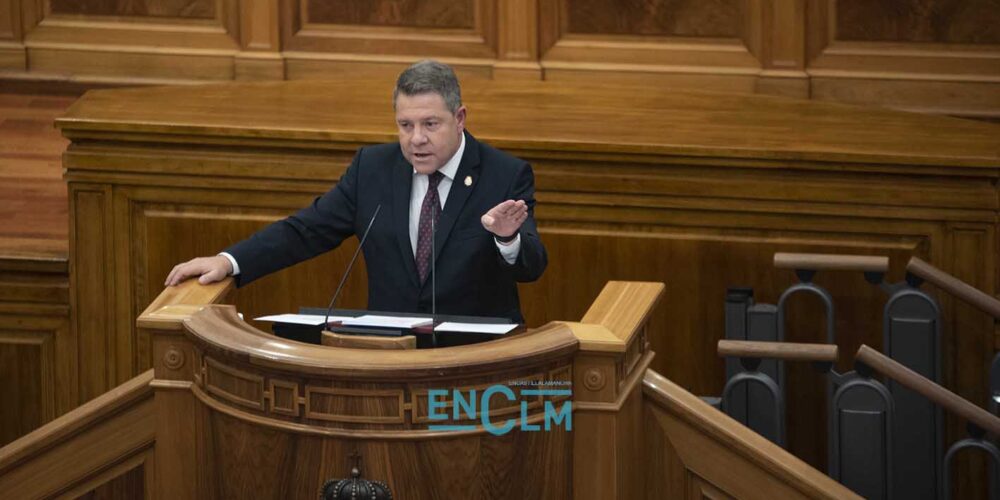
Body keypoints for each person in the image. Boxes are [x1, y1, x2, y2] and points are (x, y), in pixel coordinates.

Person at [164, 60, 546, 323]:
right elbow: (306, 231)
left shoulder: (503, 175)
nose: (417, 139)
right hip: (387, 356)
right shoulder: (373, 169)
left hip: (480, 359)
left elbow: (532, 266)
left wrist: (507, 238)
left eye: (430, 124)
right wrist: (230, 261)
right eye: (405, 125)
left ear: (460, 118)